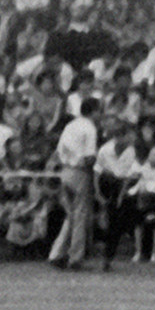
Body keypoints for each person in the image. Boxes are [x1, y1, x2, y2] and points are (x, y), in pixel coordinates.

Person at [49, 96, 101, 267]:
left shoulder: (70, 125)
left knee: (70, 215)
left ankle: (57, 253)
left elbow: (59, 150)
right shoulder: (90, 128)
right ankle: (75, 256)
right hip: (80, 172)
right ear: (93, 111)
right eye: (99, 111)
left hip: (65, 170)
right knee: (80, 215)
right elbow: (89, 157)